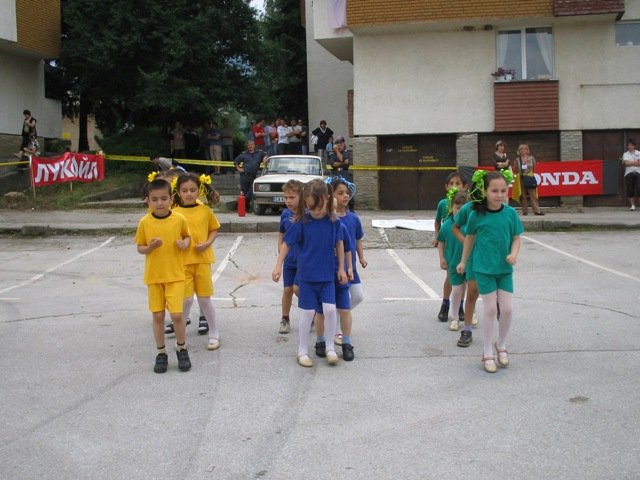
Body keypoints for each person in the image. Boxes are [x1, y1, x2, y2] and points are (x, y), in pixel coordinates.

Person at [272, 179, 347, 368]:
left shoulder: (333, 222)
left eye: (318, 206)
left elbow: (339, 243)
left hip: (327, 276)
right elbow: (286, 244)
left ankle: (330, 347)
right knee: (307, 314)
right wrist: (278, 265)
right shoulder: (302, 222)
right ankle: (302, 350)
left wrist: (341, 268)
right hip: (307, 278)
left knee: (330, 310)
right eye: (310, 207)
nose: (315, 211)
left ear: (326, 199)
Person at [457, 170, 524, 373]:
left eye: (503, 190)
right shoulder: (477, 215)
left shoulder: (510, 213)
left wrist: (514, 254)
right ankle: (486, 351)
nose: (500, 194)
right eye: (494, 190)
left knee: (508, 309)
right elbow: (469, 238)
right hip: (483, 269)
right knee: (490, 309)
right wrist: (463, 261)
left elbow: (517, 237)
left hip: (504, 269)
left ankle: (500, 344)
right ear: (485, 191)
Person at [135, 178, 192, 373]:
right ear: (148, 201)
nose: (159, 203)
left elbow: (187, 236)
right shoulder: (144, 222)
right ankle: (161, 353)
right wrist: (149, 247)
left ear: (171, 199)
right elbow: (140, 248)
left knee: (177, 315)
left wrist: (185, 243)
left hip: (175, 275)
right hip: (154, 277)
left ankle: (182, 347)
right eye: (155, 199)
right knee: (158, 315)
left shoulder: (179, 219)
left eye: (163, 198)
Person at [164, 172, 222, 350]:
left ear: (199, 190)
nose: (189, 193)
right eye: (184, 190)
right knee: (186, 300)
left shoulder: (205, 210)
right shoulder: (173, 213)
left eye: (192, 190)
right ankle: (181, 335)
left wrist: (207, 243)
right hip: (182, 262)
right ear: (178, 192)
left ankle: (214, 333)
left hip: (202, 261)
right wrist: (179, 243)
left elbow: (214, 229)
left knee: (205, 299)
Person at [331, 175, 367, 359]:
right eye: (340, 193)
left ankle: (336, 317)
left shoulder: (353, 219)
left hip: (351, 267)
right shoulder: (329, 219)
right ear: (332, 195)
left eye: (347, 193)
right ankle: (337, 328)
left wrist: (361, 257)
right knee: (341, 300)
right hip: (336, 268)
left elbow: (357, 239)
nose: (345, 196)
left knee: (358, 296)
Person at [433, 172, 466, 324]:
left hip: (462, 242)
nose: (454, 186)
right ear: (446, 187)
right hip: (450, 242)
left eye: (457, 183)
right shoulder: (443, 204)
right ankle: (445, 304)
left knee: (464, 279)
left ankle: (460, 306)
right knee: (450, 277)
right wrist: (437, 237)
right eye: (451, 183)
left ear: (464, 186)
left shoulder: (465, 204)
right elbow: (438, 221)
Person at [437, 189, 470, 332]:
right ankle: (455, 317)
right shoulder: (447, 225)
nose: (460, 211)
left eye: (463, 208)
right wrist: (442, 258)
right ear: (452, 207)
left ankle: (470, 313)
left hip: (470, 262)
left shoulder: (471, 224)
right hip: (453, 262)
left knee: (472, 289)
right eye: (457, 208)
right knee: (456, 289)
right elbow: (441, 241)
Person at [277, 180, 303, 334]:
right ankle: (285, 318)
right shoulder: (285, 214)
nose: (288, 201)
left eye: (292, 197)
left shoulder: (306, 215)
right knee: (287, 290)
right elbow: (281, 232)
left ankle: (312, 310)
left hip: (303, 261)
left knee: (298, 289)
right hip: (289, 261)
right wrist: (280, 247)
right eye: (286, 197)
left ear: (301, 197)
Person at [234, 140, 268, 211]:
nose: (250, 146)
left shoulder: (259, 153)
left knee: (251, 192)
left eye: (252, 144)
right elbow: (236, 162)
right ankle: (244, 208)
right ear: (247, 146)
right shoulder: (244, 154)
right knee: (244, 192)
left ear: (254, 145)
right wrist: (238, 169)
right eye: (249, 145)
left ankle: (240, 204)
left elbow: (266, 155)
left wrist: (265, 158)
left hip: (253, 176)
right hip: (244, 176)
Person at [514, 143, 544, 216]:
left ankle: (537, 210)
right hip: (521, 178)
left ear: (528, 150)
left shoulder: (531, 158)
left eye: (525, 148)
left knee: (533, 195)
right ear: (519, 151)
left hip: (530, 177)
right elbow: (515, 169)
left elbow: (534, 168)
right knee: (523, 195)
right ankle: (524, 211)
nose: (523, 150)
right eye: (521, 149)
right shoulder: (517, 160)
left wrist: (530, 175)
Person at [622, 139, 640, 211]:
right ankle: (632, 205)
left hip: (638, 172)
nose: (629, 146)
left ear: (634, 146)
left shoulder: (639, 153)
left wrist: (630, 162)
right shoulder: (625, 154)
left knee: (639, 188)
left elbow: (639, 163)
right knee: (630, 190)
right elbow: (626, 164)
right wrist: (636, 162)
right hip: (629, 173)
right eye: (628, 145)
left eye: (631, 145)